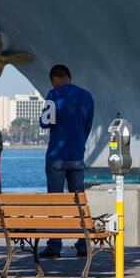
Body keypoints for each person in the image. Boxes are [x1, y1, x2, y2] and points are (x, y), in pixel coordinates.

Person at [39, 64, 95, 258]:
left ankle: (55, 245)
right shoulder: (87, 96)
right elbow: (88, 125)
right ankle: (82, 244)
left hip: (56, 155)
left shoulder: (53, 95)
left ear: (55, 78)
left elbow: (45, 122)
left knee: (55, 202)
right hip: (77, 155)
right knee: (79, 200)